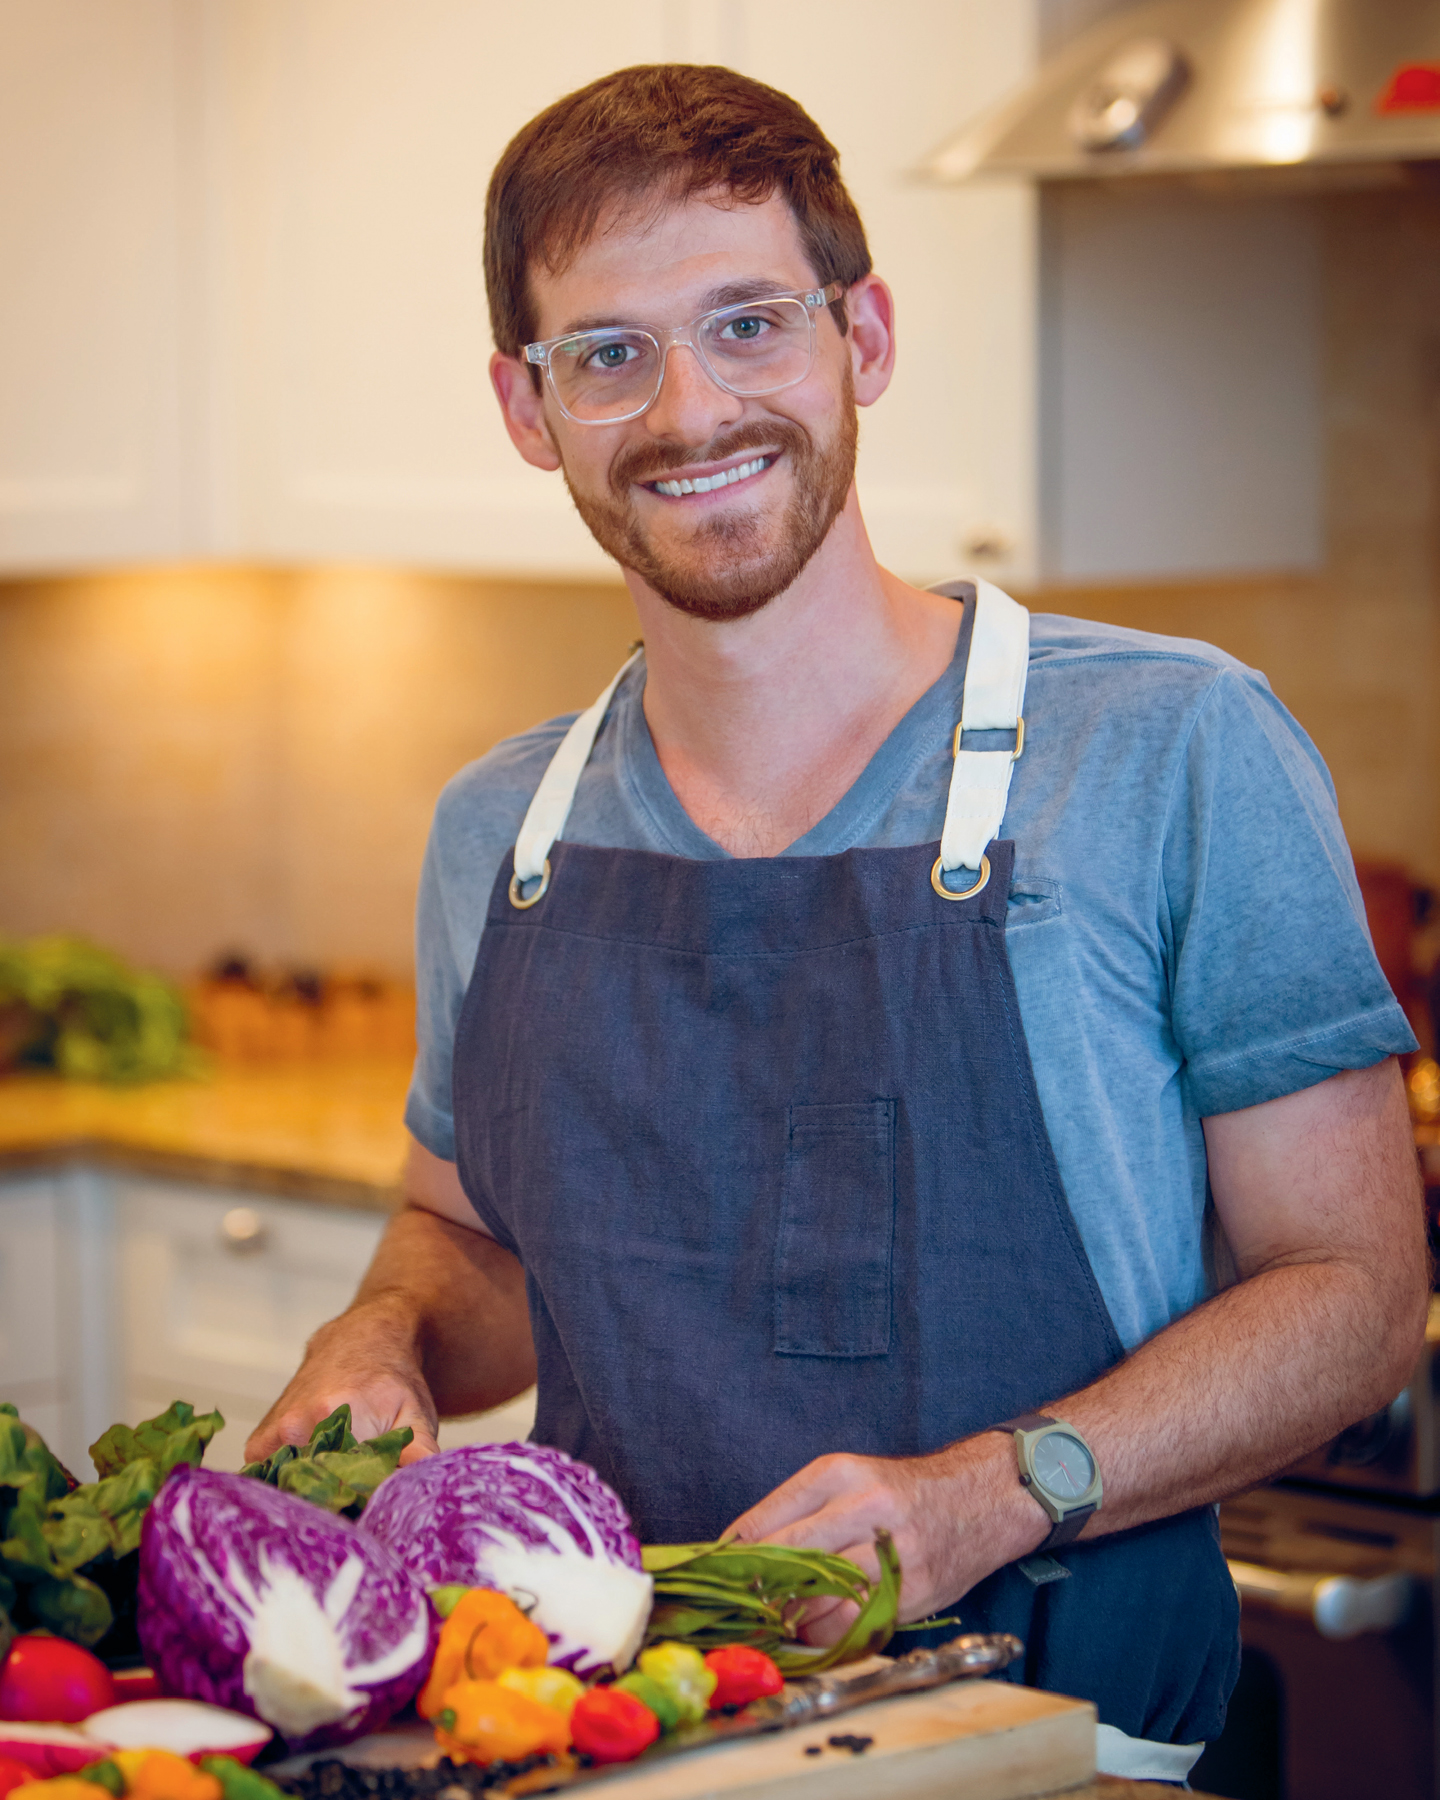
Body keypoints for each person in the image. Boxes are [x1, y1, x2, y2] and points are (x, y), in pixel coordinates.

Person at [246, 64, 1426, 1782]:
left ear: (863, 338)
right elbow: (472, 1243)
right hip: (612, 1742)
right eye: (607, 352)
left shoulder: (1171, 747)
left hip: (1075, 1749)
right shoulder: (502, 832)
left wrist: (985, 1497)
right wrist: (387, 1333)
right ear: (527, 405)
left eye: (748, 323)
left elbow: (1357, 1295)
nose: (687, 408)